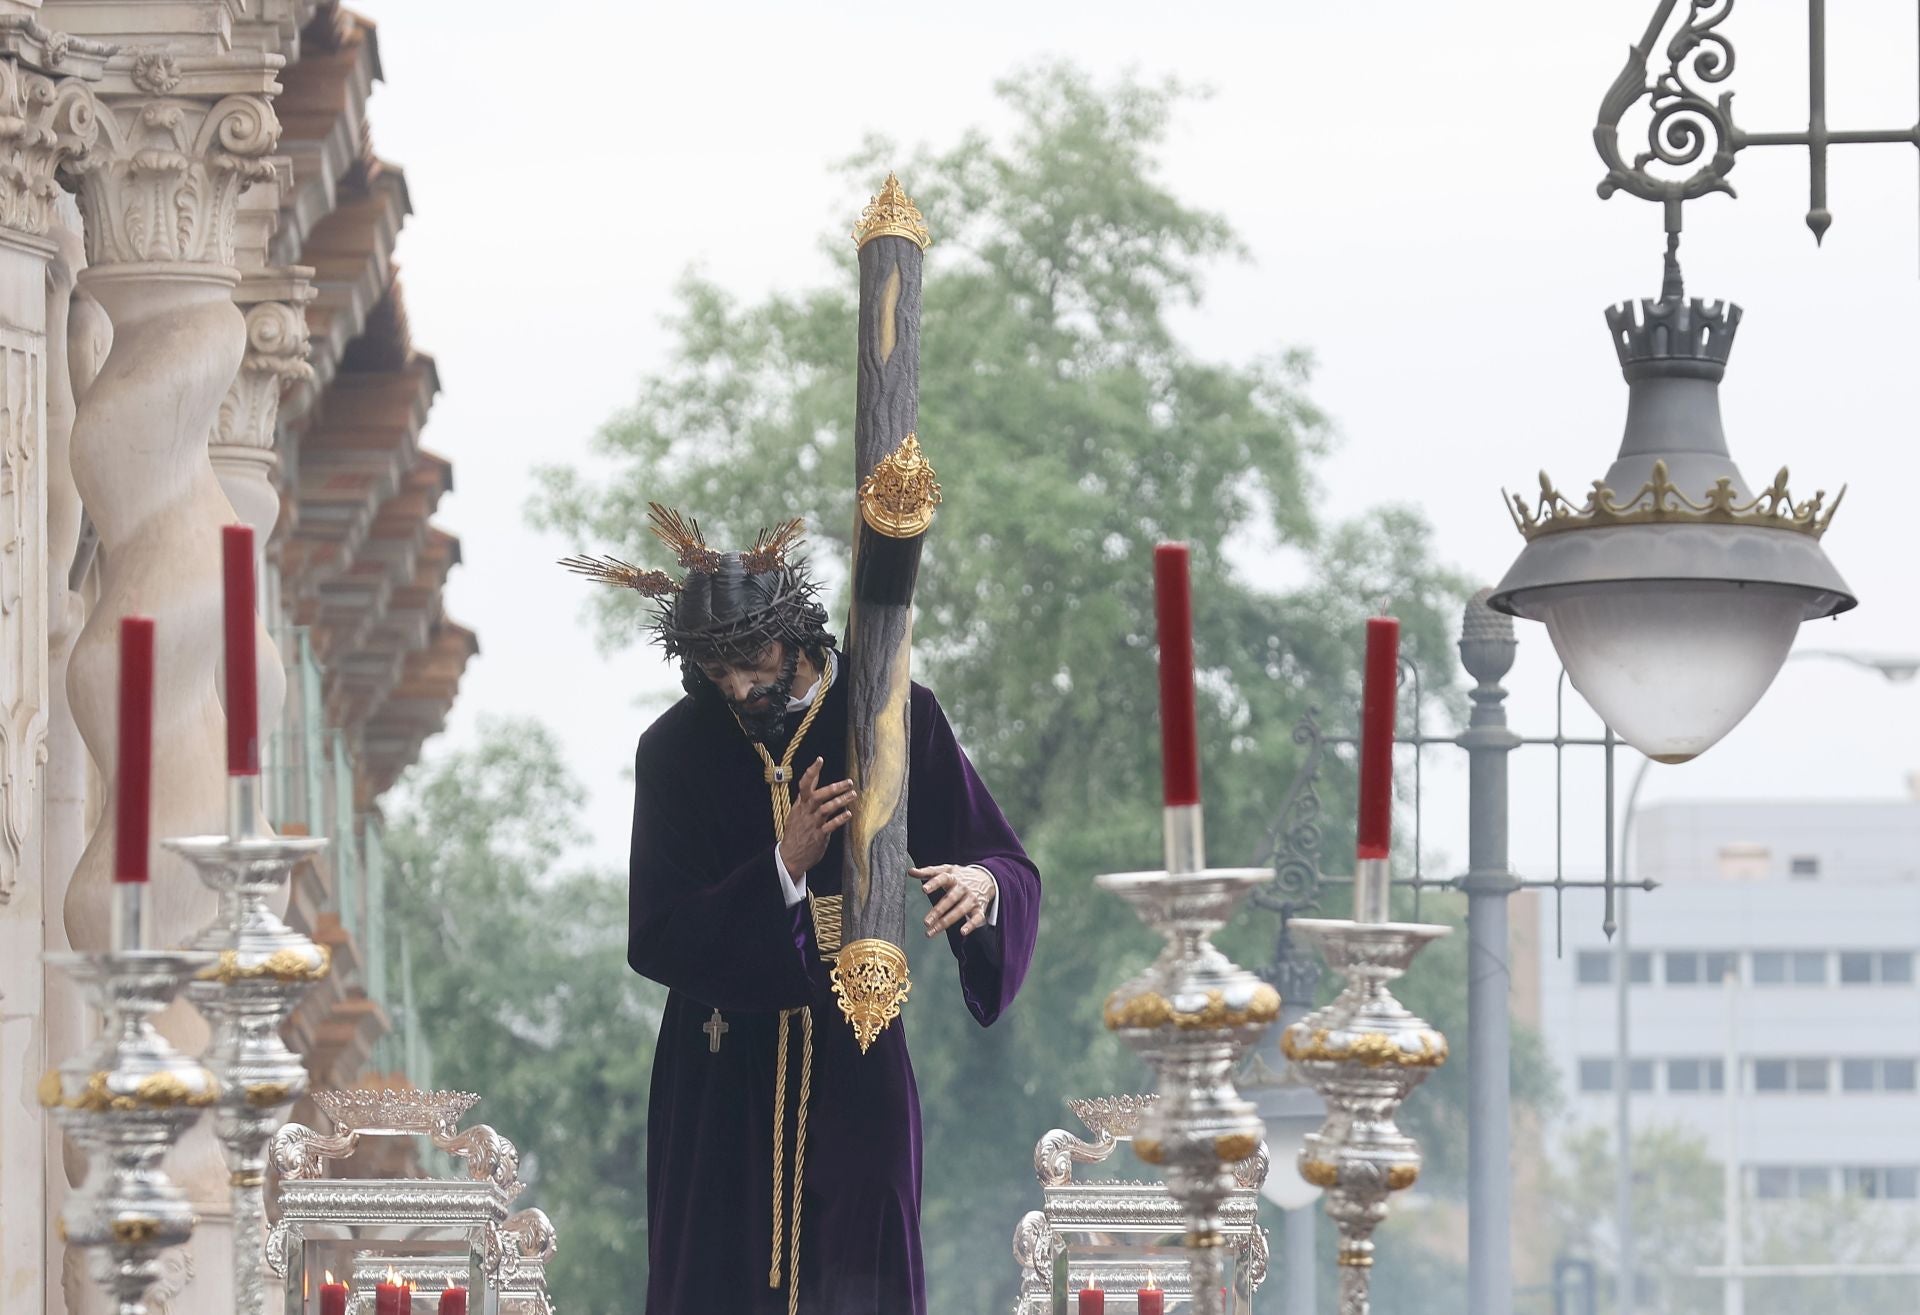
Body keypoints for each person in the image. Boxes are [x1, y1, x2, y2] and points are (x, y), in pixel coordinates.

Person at [566, 505, 1041, 1315]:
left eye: (753, 661)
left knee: (864, 1243)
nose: (741, 686)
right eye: (718, 674)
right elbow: (657, 933)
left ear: (794, 632)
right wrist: (782, 867)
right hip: (720, 1072)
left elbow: (1005, 858)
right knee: (722, 1264)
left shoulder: (891, 710)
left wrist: (983, 884)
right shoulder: (675, 749)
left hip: (859, 1038)